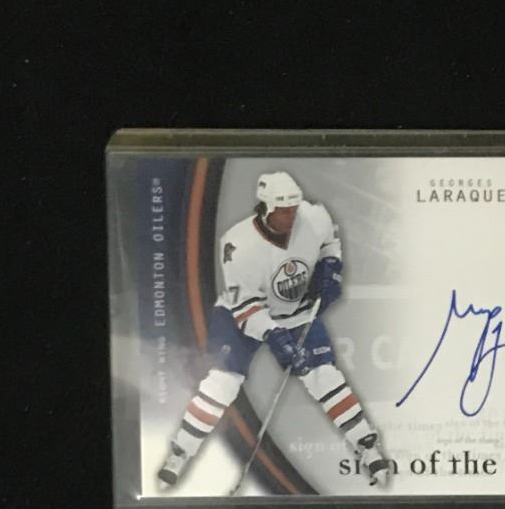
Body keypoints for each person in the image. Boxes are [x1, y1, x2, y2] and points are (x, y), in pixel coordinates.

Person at [157, 171, 392, 491]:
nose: (291, 216)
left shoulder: (314, 216)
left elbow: (330, 240)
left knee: (324, 375)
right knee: (222, 382)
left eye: (294, 208)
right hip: (241, 315)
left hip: (295, 311)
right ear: (265, 209)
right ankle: (180, 452)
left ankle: (367, 446)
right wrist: (274, 335)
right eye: (283, 211)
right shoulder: (238, 245)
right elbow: (246, 307)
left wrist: (331, 267)